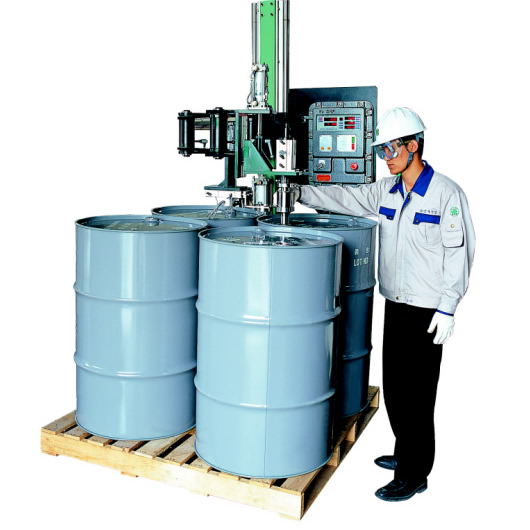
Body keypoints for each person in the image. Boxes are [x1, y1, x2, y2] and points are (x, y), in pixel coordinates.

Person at [293, 107, 475, 501]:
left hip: (427, 311)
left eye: (391, 149)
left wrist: (448, 308)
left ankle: (414, 473)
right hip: (395, 303)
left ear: (414, 146)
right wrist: (299, 191)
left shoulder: (446, 194)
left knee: (418, 395)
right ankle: (405, 450)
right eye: (381, 150)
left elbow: (459, 253)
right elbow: (345, 197)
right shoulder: (386, 190)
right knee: (394, 387)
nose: (386, 157)